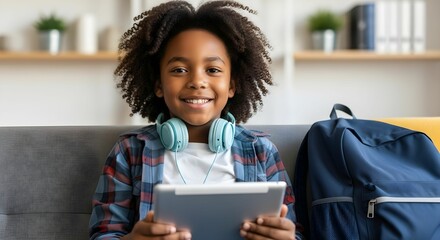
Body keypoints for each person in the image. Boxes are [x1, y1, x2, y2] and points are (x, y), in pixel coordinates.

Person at [89, 1, 303, 239]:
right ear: (159, 84)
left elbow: (293, 231)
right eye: (179, 70)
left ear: (232, 85)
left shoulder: (261, 151)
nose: (197, 81)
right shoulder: (129, 152)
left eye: (212, 70)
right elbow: (103, 233)